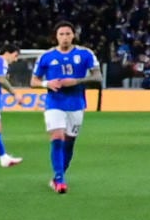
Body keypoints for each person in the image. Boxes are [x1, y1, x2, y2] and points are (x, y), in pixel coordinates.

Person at [34, 25, 101, 195]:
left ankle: (57, 177)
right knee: (57, 137)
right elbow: (34, 80)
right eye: (61, 34)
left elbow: (98, 77)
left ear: (73, 36)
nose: (64, 37)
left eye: (68, 34)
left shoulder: (85, 54)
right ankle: (60, 180)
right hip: (54, 102)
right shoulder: (46, 56)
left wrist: (77, 81)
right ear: (56, 36)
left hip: (76, 103)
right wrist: (46, 84)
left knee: (70, 142)